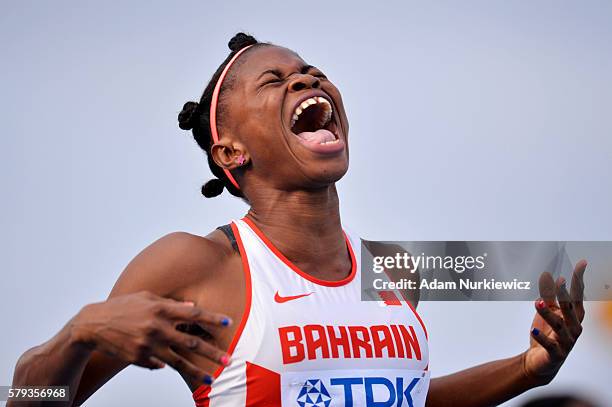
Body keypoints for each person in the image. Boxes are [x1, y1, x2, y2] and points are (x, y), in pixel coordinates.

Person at [9, 33, 587, 407]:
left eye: (311, 71)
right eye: (275, 81)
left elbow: (404, 401)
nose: (306, 80)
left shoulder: (396, 269)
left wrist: (526, 369)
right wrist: (80, 333)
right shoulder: (197, 265)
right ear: (232, 152)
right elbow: (28, 401)